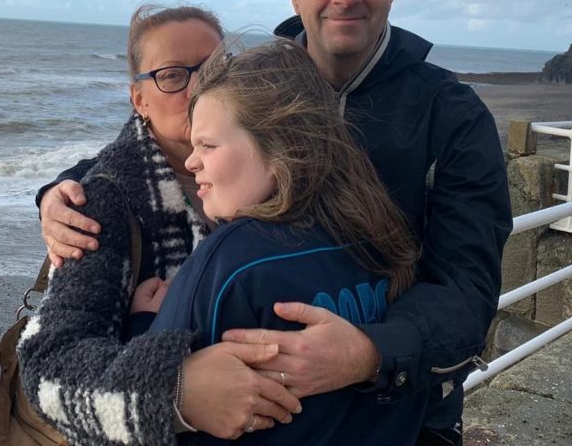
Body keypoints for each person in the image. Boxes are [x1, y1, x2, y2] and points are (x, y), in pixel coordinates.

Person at [38, 0, 512, 445]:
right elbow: (169, 144)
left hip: (401, 415)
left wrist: (368, 352)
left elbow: (468, 289)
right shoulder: (255, 81)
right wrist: (63, 190)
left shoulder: (450, 116)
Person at [17, 4, 301, 446]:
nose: (199, 88)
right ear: (139, 100)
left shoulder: (275, 171)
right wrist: (175, 393)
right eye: (172, 76)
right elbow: (48, 369)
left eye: (213, 69)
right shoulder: (107, 202)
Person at [144, 39, 424, 444]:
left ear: (281, 150)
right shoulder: (379, 235)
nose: (191, 161)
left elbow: (141, 402)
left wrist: (143, 322)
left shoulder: (231, 261)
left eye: (208, 145)